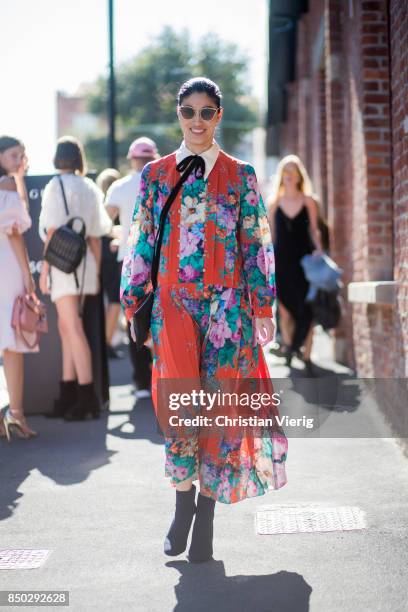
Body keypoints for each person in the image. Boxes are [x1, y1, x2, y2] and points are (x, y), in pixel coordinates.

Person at [121, 77, 288, 563]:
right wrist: (134, 302)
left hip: (228, 312)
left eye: (207, 112)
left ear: (219, 115)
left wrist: (263, 307)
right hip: (172, 309)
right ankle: (181, 503)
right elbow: (141, 241)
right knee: (179, 413)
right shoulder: (156, 175)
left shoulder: (241, 175)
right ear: (179, 115)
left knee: (220, 415)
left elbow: (257, 243)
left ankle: (207, 521)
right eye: (189, 111)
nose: (197, 121)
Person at [38, 136, 112, 420]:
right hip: (85, 265)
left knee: (71, 328)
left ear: (59, 158)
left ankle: (86, 396)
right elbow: (97, 233)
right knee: (69, 328)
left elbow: (52, 231)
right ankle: (69, 394)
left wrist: (45, 270)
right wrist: (95, 270)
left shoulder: (54, 187)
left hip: (62, 264)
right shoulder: (89, 187)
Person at [105, 137, 159, 398]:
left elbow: (104, 222)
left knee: (134, 319)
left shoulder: (120, 187)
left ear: (132, 159)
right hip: (160, 261)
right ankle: (164, 375)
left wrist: (119, 234)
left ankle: (141, 380)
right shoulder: (164, 182)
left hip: (129, 262)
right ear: (154, 158)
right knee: (161, 317)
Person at [267, 155, 323, 372]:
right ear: (282, 176)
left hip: (305, 263)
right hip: (281, 263)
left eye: (294, 172)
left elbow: (314, 230)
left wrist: (319, 249)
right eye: (286, 173)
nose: (290, 177)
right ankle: (290, 350)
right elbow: (270, 236)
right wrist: (266, 261)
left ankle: (307, 357)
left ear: (300, 176)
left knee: (307, 310)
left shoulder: (309, 200)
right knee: (286, 312)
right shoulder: (274, 203)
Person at [0, 135, 38, 440]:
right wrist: (28, 275)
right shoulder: (8, 186)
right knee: (13, 343)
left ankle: (9, 417)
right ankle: (16, 415)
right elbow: (17, 231)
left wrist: (19, 178)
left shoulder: (10, 184)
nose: (19, 160)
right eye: (14, 155)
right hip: (8, 267)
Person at [95, 168, 123, 359]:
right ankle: (105, 343)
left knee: (103, 301)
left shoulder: (97, 205)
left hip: (97, 254)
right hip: (113, 254)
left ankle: (103, 342)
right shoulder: (117, 206)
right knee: (114, 300)